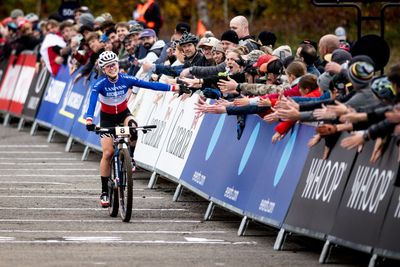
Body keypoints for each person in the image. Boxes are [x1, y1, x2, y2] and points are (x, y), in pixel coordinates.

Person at [85, 51, 177, 207]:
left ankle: (131, 157)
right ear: (104, 69)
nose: (111, 68)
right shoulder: (99, 84)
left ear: (118, 65)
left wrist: (174, 87)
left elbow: (151, 85)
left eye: (113, 64)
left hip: (123, 114)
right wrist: (89, 120)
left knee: (133, 126)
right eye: (108, 67)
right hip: (107, 120)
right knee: (107, 153)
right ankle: (104, 191)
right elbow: (92, 103)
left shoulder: (126, 79)